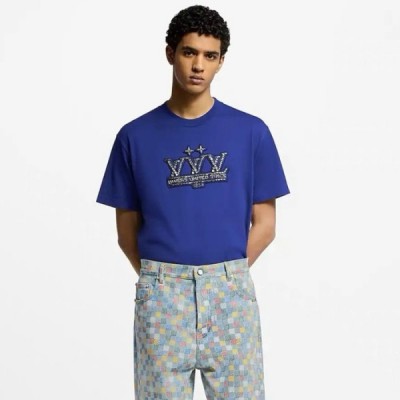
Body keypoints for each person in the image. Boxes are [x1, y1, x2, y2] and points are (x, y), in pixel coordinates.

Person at [96, 4, 290, 399]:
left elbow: (266, 224)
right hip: (162, 299)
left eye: (210, 56)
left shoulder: (251, 132)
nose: (198, 65)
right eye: (189, 52)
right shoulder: (134, 137)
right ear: (170, 53)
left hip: (230, 296)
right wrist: (164, 281)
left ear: (221, 62)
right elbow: (125, 232)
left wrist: (225, 276)